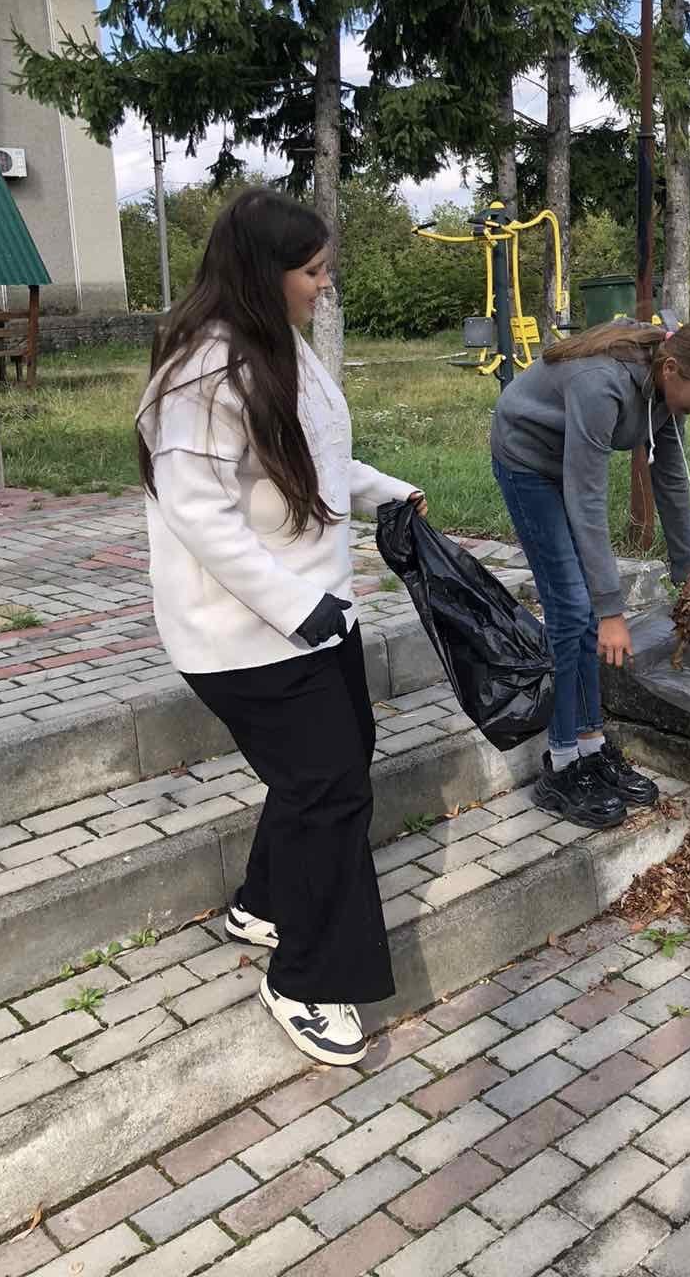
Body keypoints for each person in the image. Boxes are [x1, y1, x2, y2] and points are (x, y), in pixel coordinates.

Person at [136, 186, 426, 1066]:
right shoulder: (201, 374)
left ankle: (263, 905)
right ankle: (304, 977)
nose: (323, 284)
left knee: (330, 768)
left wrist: (386, 492)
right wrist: (297, 607)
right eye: (312, 270)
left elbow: (313, 457)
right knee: (330, 788)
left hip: (312, 616)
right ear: (264, 274)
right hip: (242, 635)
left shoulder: (276, 347)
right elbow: (199, 513)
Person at [491, 319, 690, 827]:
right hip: (528, 463)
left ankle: (590, 746)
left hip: (568, 466)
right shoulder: (600, 384)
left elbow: (671, 479)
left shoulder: (664, 392)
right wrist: (611, 610)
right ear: (672, 368)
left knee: (581, 612)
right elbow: (587, 497)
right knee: (572, 610)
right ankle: (562, 765)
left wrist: (689, 573)